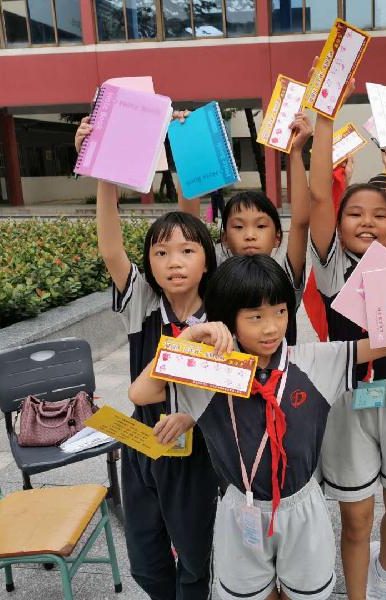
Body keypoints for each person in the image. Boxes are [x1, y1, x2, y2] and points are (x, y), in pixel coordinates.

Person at [129, 253, 386, 600]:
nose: (271, 327)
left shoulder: (313, 361)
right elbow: (140, 393)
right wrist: (189, 337)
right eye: (255, 317)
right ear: (229, 320)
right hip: (242, 508)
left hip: (302, 505)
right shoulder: (215, 370)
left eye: (280, 312)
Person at [75, 112, 221, 600]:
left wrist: (181, 145)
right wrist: (104, 172)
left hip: (195, 449)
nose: (174, 262)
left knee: (195, 557)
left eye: (187, 252)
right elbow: (111, 248)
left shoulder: (218, 317)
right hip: (141, 440)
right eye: (160, 253)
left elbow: (228, 388)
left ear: (206, 260)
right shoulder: (142, 304)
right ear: (149, 265)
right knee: (145, 554)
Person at [308, 75, 386, 600]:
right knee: (356, 517)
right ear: (338, 225)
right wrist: (324, 119)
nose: (367, 222)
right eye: (355, 214)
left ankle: (384, 576)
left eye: (379, 215)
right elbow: (319, 192)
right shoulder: (330, 267)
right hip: (347, 398)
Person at [183, 113, 313, 345]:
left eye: (261, 226)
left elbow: (301, 223)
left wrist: (295, 153)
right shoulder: (214, 276)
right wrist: (187, 144)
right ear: (224, 237)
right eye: (238, 226)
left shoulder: (284, 277)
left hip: (280, 370)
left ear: (277, 237)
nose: (250, 235)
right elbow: (188, 229)